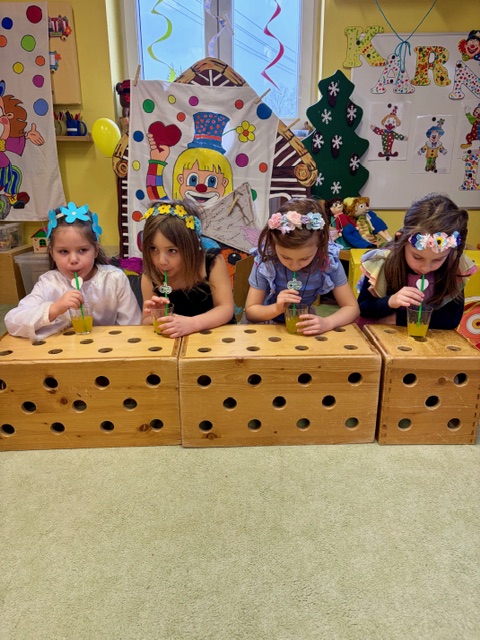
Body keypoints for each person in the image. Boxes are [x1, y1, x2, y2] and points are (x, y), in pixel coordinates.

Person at [5, 202, 142, 339]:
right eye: (63, 251)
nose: (73, 260)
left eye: (82, 250)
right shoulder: (49, 283)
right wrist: (54, 309)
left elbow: (132, 325)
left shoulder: (115, 279)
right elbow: (12, 322)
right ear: (52, 253)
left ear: (96, 250)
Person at [357, 193, 477, 330]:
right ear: (401, 239)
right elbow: (363, 308)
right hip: (381, 335)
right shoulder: (383, 262)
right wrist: (390, 301)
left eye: (438, 259)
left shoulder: (454, 267)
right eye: (417, 257)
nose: (425, 268)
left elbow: (451, 319)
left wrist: (399, 319)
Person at [245, 198, 360, 334]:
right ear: (273, 244)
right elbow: (251, 312)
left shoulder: (327, 260)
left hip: (304, 324)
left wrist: (327, 322)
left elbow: (352, 308)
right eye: (285, 257)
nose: (294, 266)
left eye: (305, 258)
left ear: (320, 245)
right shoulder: (266, 260)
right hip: (266, 325)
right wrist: (277, 308)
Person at [140, 199, 235, 338]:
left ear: (191, 247)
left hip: (216, 339)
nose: (161, 261)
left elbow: (226, 308)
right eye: (153, 249)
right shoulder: (150, 275)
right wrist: (155, 316)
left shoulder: (211, 262)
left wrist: (192, 324)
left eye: (172, 250)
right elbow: (145, 322)